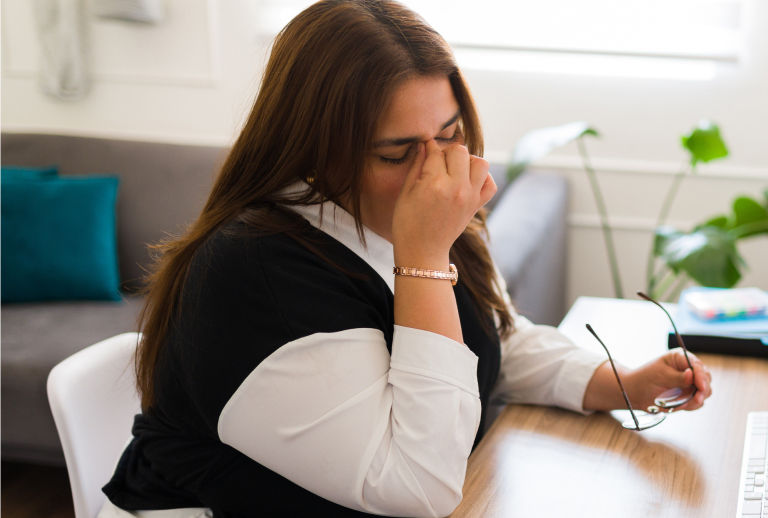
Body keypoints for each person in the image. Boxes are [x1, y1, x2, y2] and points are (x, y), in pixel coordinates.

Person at [99, 1, 713, 516]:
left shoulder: (404, 215)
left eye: (448, 136)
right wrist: (422, 256)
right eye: (397, 153)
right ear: (315, 150)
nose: (437, 172)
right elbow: (418, 486)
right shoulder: (255, 274)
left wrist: (615, 383)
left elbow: (489, 339)